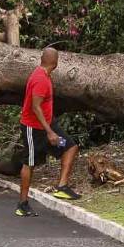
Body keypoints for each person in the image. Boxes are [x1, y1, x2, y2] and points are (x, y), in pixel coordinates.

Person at [15, 47, 82, 217]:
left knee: (69, 147)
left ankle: (62, 186)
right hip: (34, 129)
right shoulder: (40, 79)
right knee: (29, 163)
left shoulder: (44, 75)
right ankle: (22, 204)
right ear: (56, 62)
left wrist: (51, 129)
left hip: (48, 126)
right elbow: (35, 107)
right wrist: (49, 132)